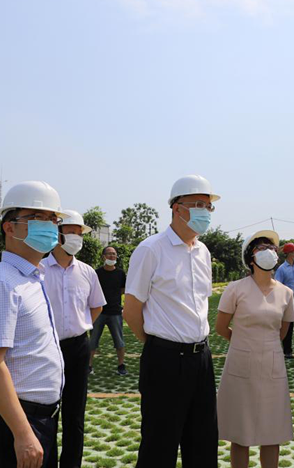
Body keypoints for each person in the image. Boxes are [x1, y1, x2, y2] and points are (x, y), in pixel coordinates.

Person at [0, 181, 67, 468]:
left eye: (52, 219)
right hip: (11, 424)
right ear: (9, 227)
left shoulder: (32, 278)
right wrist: (23, 433)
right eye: (37, 218)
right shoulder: (2, 283)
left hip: (37, 420)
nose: (48, 225)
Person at [123, 175, 220, 468]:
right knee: (159, 445)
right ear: (177, 208)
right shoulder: (151, 249)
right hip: (164, 360)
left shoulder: (203, 252)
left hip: (201, 358)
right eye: (198, 204)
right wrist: (158, 343)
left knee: (203, 442)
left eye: (208, 206)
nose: (206, 211)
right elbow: (132, 310)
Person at [215, 230, 294, 468]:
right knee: (240, 432)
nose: (268, 252)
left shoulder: (286, 293)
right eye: (261, 248)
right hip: (240, 364)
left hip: (272, 364)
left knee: (272, 431)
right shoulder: (235, 288)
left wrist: (263, 345)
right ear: (251, 258)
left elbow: (282, 332)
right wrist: (244, 342)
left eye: (271, 248)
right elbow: (221, 327)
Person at [40, 209, 106, 468]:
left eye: (80, 233)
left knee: (75, 415)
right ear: (57, 234)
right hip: (47, 348)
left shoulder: (87, 272)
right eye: (71, 232)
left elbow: (96, 306)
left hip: (78, 347)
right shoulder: (39, 270)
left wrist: (80, 324)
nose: (77, 238)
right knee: (46, 412)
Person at [90, 246, 128, 375]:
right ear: (103, 257)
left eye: (114, 254)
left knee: (119, 341)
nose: (112, 256)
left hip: (115, 311)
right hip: (98, 311)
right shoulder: (97, 273)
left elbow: (123, 289)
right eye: (109, 254)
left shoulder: (120, 273)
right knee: (92, 341)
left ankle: (121, 365)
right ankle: (88, 366)